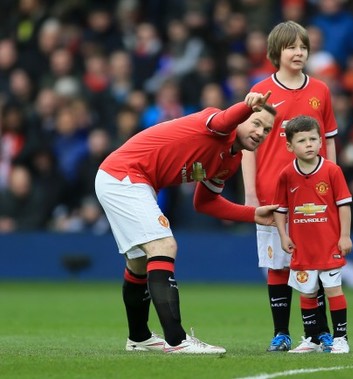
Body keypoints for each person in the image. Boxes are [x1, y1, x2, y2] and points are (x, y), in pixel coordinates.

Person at [95, 91, 277, 354]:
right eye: (256, 123)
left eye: (267, 129)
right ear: (242, 118)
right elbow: (225, 119)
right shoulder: (216, 123)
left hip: (128, 180)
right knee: (164, 246)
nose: (261, 132)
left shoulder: (231, 159)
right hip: (124, 175)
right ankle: (177, 340)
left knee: (138, 262)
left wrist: (253, 214)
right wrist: (246, 106)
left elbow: (205, 202)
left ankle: (139, 337)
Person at [241, 20, 338, 352]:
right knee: (277, 264)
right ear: (276, 52)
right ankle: (280, 333)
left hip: (314, 194)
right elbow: (247, 144)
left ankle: (320, 333)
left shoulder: (320, 91)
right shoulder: (261, 91)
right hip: (271, 192)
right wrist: (251, 196)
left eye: (303, 46)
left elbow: (329, 143)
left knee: (317, 262)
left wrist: (334, 183)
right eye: (291, 47)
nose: (299, 53)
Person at [273, 116, 352, 354]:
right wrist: (283, 236)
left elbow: (344, 205)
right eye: (302, 140)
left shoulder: (332, 170)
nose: (308, 144)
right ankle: (312, 339)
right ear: (290, 146)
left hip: (329, 245)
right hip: (302, 247)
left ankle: (341, 338)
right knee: (307, 293)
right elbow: (280, 208)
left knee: (332, 290)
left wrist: (345, 236)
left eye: (313, 139)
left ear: (320, 142)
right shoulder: (286, 174)